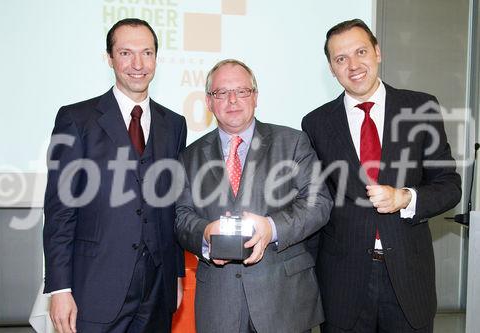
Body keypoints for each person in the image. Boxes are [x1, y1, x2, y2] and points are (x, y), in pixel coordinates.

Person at [301, 19, 462, 333]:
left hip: (408, 279)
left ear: (377, 52)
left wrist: (405, 197)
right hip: (342, 284)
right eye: (341, 59)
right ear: (331, 69)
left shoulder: (421, 108)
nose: (353, 65)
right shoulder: (316, 123)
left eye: (361, 51)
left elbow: (449, 186)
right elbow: (314, 204)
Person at [43, 18, 187, 333]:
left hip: (157, 290)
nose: (138, 64)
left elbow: (173, 206)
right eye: (126, 53)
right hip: (95, 288)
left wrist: (177, 275)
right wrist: (59, 289)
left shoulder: (174, 124)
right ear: (110, 59)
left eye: (146, 53)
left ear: (156, 59)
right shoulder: (76, 119)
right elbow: (59, 212)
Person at [175, 59, 333, 333]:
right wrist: (205, 232)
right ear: (209, 102)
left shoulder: (293, 142)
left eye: (242, 91)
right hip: (219, 303)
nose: (232, 100)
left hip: (284, 300)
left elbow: (318, 203)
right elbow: (181, 217)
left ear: (256, 97)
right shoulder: (189, 156)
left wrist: (271, 228)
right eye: (221, 93)